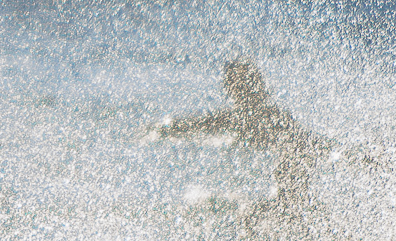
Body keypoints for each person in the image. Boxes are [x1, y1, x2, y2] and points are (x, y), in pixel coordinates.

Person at [155, 60, 374, 224]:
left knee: (269, 211)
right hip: (294, 167)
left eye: (239, 85)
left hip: (295, 172)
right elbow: (201, 124)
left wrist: (169, 128)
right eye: (234, 85)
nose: (235, 91)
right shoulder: (245, 116)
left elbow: (309, 143)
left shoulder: (267, 117)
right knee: (270, 211)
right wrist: (168, 128)